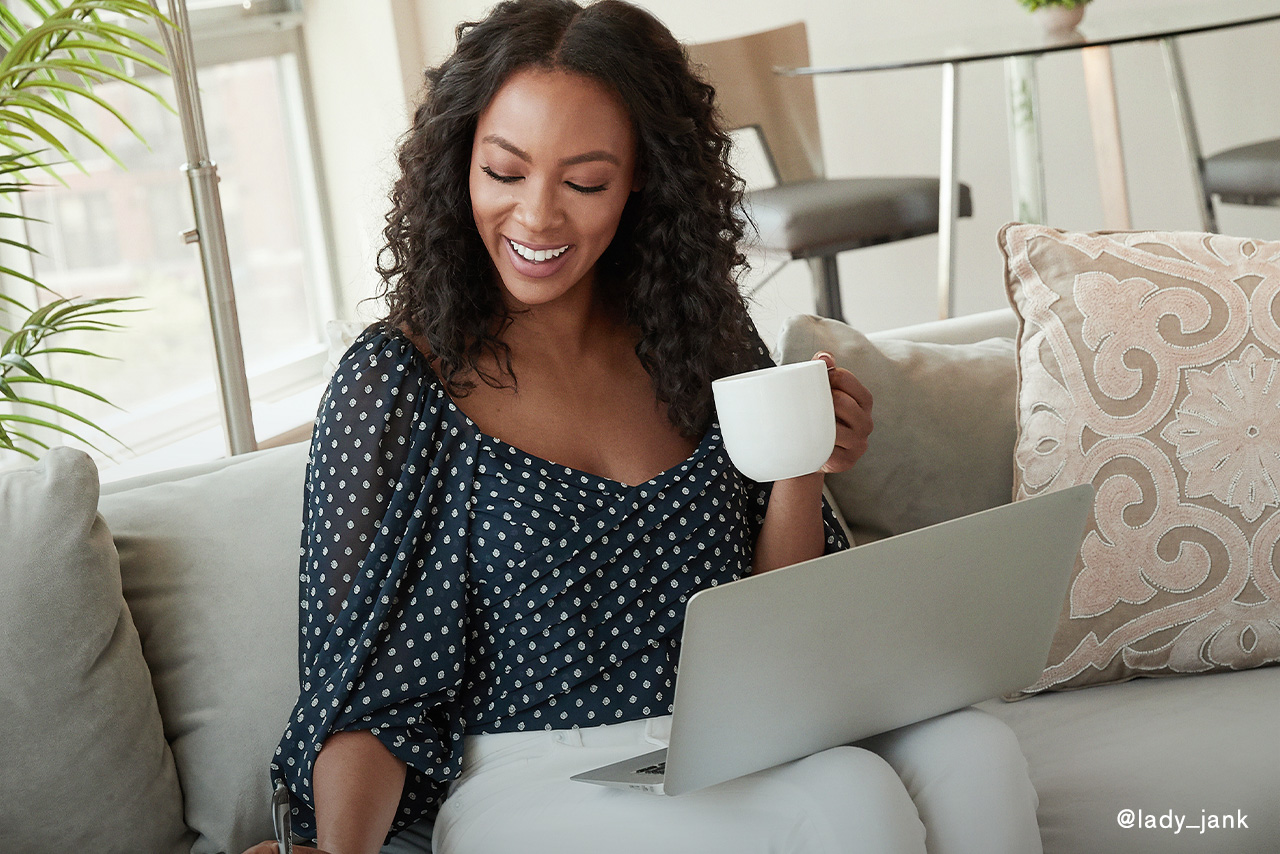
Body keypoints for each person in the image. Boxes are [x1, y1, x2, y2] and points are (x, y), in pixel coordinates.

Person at [243, 2, 1042, 853]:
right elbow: (360, 688)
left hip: (732, 733)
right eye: (504, 173)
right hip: (533, 772)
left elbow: (778, 618)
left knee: (977, 753)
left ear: (640, 183)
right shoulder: (398, 380)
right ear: (456, 165)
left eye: (584, 182)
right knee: (849, 801)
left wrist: (801, 464)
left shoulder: (695, 338)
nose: (538, 218)